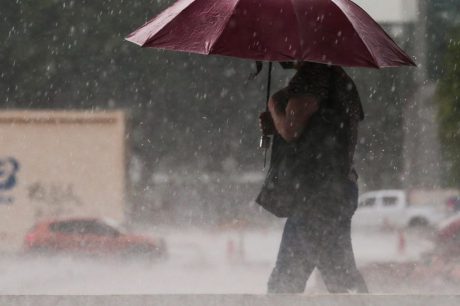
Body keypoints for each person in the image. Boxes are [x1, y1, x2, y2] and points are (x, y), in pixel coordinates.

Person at [258, 61, 368, 293]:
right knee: (341, 278)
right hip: (336, 191)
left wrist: (274, 107)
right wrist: (277, 121)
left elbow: (291, 128)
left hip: (316, 195)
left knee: (285, 283)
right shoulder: (339, 79)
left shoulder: (313, 76)